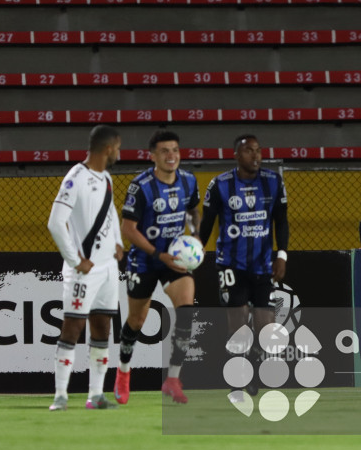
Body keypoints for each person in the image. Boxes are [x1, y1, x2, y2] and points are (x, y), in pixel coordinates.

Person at [114, 130, 200, 405]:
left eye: (175, 150)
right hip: (145, 259)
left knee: (186, 311)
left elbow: (193, 209)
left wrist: (196, 236)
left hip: (174, 258)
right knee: (137, 321)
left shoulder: (188, 180)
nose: (171, 155)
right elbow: (128, 228)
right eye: (164, 151)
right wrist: (157, 253)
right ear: (152, 156)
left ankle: (173, 379)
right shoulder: (141, 186)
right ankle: (124, 372)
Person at [199, 134, 288, 398]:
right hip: (231, 264)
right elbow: (206, 224)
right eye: (249, 151)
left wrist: (281, 254)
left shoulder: (273, 182)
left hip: (262, 265)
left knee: (265, 324)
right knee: (237, 321)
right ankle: (239, 374)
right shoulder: (220, 185)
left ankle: (255, 364)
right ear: (237, 155)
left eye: (258, 150)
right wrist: (195, 252)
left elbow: (281, 221)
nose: (256, 155)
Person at [46, 125, 124, 411]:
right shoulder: (75, 178)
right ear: (107, 148)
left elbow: (111, 212)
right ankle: (61, 396)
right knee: (73, 328)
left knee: (102, 327)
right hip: (83, 271)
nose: (119, 152)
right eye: (118, 147)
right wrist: (75, 259)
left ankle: (96, 395)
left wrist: (117, 241)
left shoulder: (105, 178)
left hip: (107, 269)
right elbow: (55, 223)